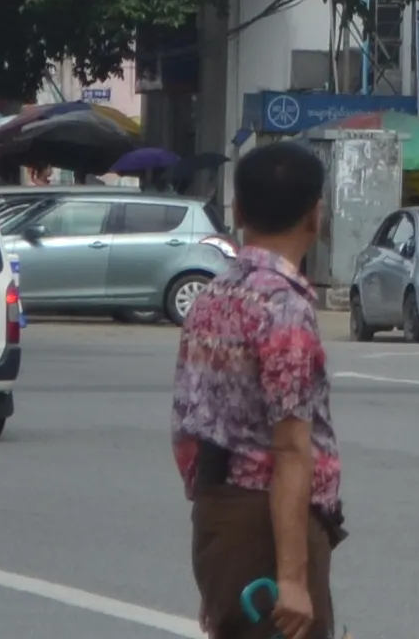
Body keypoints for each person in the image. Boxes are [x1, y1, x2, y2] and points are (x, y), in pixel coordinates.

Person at [175, 137, 343, 639]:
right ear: (316, 216)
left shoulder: (211, 296)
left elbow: (192, 429)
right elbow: (291, 449)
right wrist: (292, 578)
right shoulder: (284, 308)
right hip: (269, 526)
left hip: (219, 516)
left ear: (238, 210)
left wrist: (219, 566)